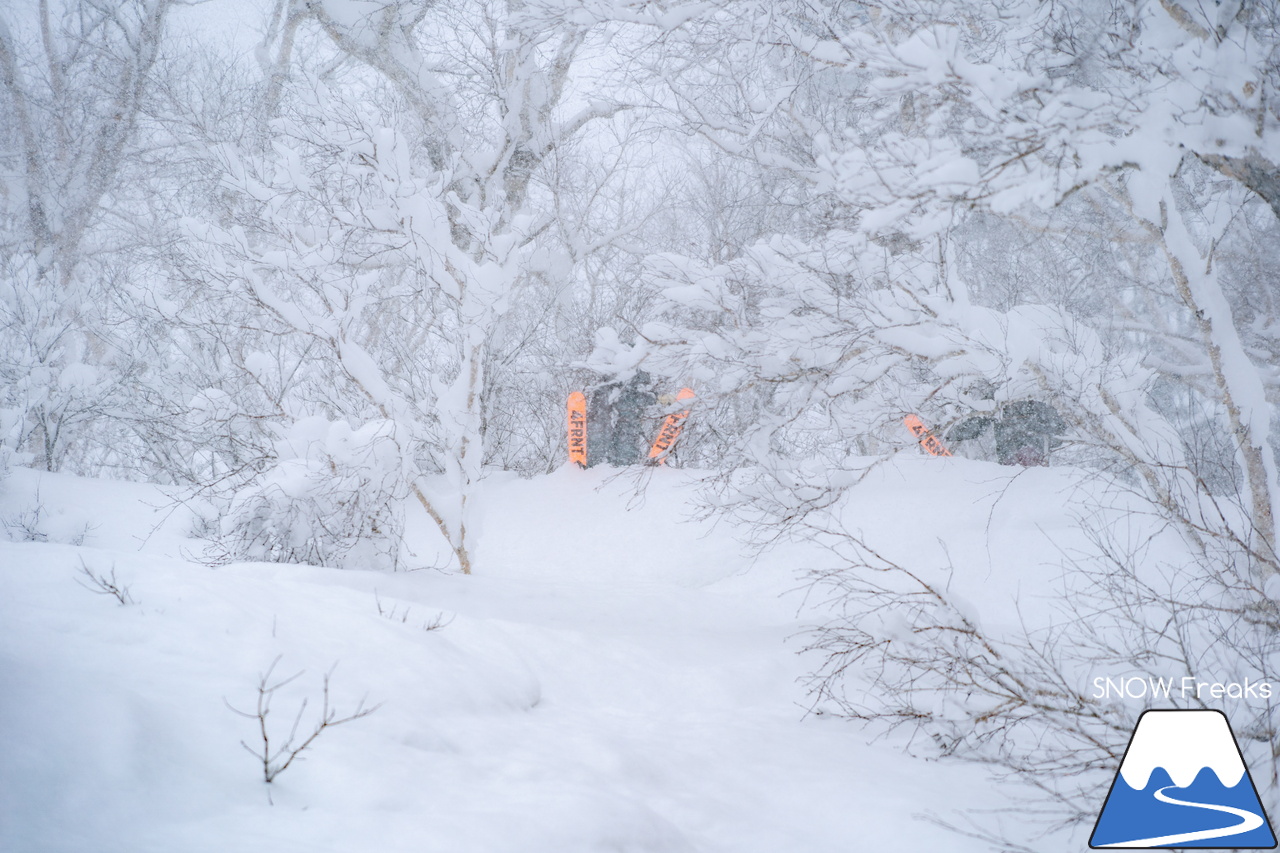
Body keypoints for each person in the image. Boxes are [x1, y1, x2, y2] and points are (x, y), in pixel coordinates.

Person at [947, 388, 1067, 467]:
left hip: (1019, 458)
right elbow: (977, 422)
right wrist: (949, 434)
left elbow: (1059, 428)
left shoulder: (1001, 395)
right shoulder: (1000, 395)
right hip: (1015, 459)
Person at [587, 370, 657, 467]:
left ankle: (598, 468)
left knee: (619, 448)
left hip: (622, 420)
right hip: (621, 420)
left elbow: (644, 395)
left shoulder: (612, 372)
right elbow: (645, 396)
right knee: (619, 448)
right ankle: (598, 468)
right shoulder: (617, 371)